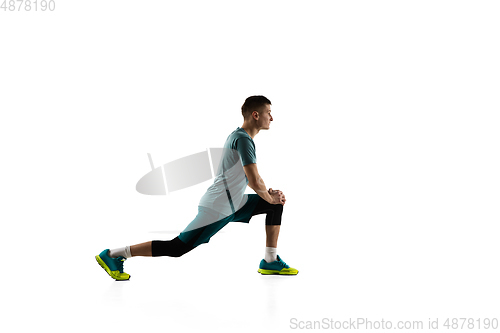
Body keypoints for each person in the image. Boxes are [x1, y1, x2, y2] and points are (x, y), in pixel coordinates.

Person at [95, 95, 298, 280]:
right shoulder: (244, 140)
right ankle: (114, 254)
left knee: (275, 205)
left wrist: (269, 196)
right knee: (176, 248)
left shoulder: (240, 137)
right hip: (219, 207)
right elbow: (254, 180)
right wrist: (267, 194)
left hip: (234, 203)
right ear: (256, 115)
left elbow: (249, 180)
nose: (271, 118)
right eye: (268, 113)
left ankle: (270, 261)